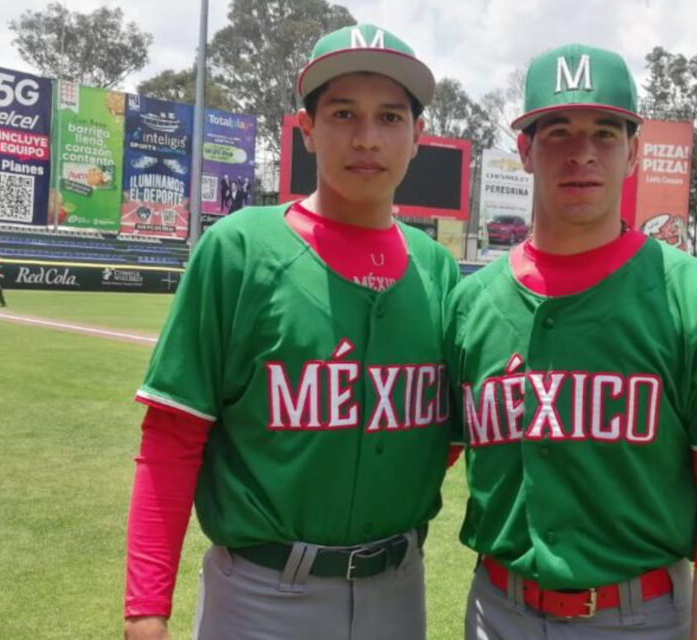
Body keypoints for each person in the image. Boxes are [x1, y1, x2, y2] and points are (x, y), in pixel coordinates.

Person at [123, 24, 459, 640]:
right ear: (306, 130)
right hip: (261, 596)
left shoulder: (438, 269)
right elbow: (172, 436)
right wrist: (147, 613)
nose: (366, 137)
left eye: (389, 117)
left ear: (417, 138)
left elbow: (448, 437)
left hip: (397, 592)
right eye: (342, 113)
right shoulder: (239, 248)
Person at [445, 44, 697, 640]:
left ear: (633, 152)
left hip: (637, 618)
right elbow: (426, 452)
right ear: (525, 150)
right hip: (495, 610)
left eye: (604, 132)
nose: (583, 153)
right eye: (559, 132)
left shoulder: (696, 294)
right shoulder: (470, 302)